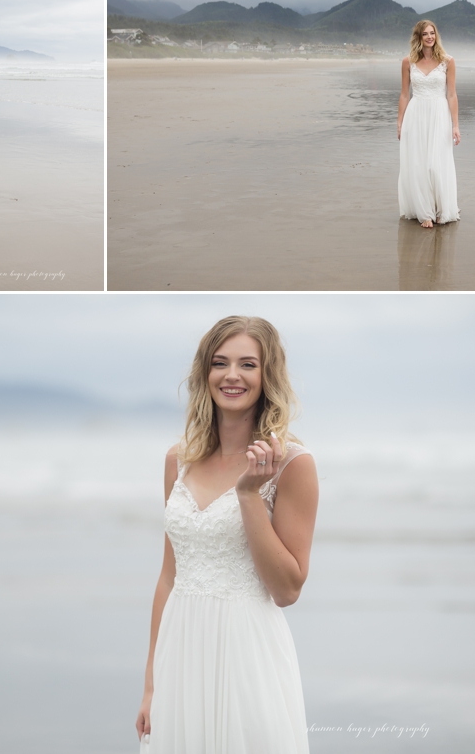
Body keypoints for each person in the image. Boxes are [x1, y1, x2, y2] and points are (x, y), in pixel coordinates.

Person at [137, 316, 318, 753]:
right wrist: (150, 683)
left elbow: (287, 589)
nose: (232, 375)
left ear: (267, 375)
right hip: (181, 652)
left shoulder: (293, 465)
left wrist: (250, 495)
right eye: (220, 363)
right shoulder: (177, 460)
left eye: (248, 364)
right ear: (205, 373)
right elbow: (169, 576)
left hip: (247, 650)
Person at [397, 19, 461, 228]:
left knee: (436, 164)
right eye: (425, 34)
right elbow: (405, 95)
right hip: (415, 116)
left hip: (439, 115)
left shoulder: (447, 61)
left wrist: (455, 125)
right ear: (418, 37)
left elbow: (451, 94)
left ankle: (442, 209)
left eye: (432, 33)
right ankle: (425, 213)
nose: (430, 37)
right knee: (418, 164)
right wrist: (400, 123)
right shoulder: (408, 62)